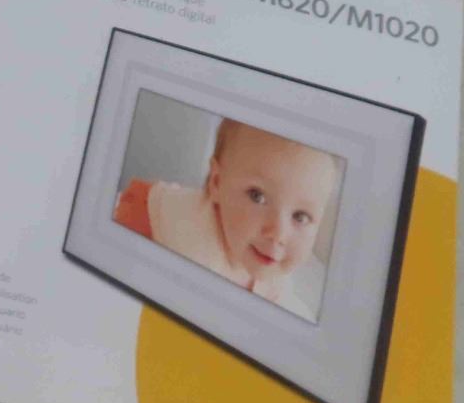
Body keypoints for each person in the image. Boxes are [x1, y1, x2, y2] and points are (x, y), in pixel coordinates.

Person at [114, 117, 337, 320]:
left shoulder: (275, 271)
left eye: (300, 216)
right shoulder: (189, 248)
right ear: (217, 182)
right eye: (257, 197)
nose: (278, 233)